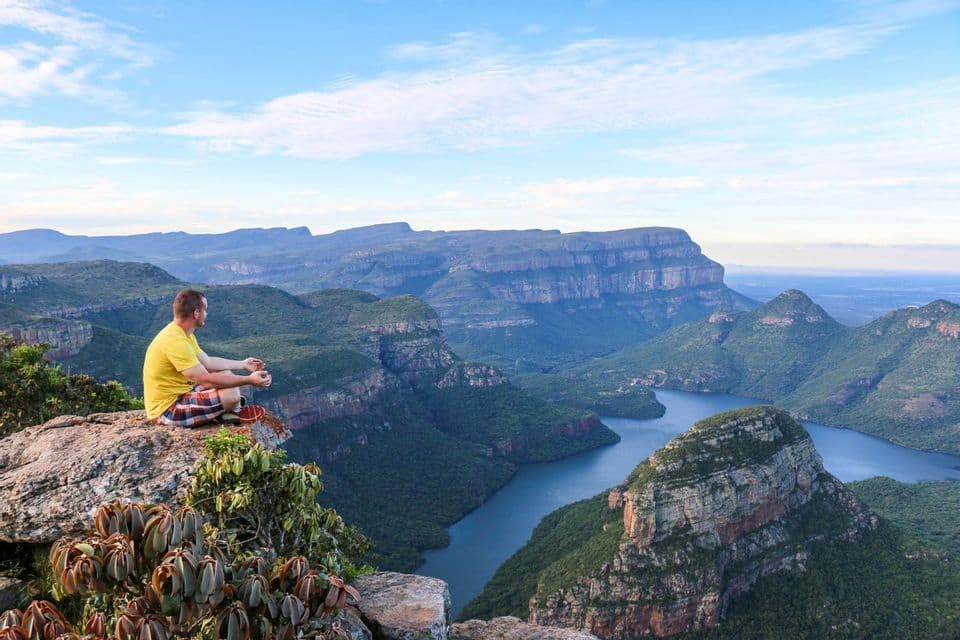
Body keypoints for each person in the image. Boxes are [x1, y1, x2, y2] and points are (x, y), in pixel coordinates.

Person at [143, 288, 272, 427]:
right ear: (196, 313)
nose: (207, 314)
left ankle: (229, 408)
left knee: (226, 375)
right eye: (205, 310)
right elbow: (206, 380)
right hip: (168, 409)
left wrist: (243, 364)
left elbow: (208, 362)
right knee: (231, 395)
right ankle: (230, 408)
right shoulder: (175, 341)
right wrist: (249, 380)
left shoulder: (183, 333)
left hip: (183, 392)